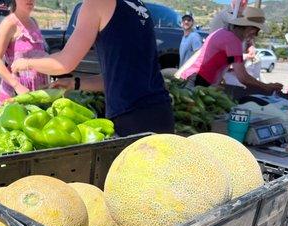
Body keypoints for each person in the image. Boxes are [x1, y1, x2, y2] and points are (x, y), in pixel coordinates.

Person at [10, 0, 174, 137]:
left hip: (132, 120)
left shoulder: (96, 3)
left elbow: (63, 63)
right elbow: (118, 77)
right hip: (161, 113)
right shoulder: (137, 6)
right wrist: (74, 83)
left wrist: (26, 62)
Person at [179, 7, 283, 93]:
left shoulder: (222, 32)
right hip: (197, 80)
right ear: (250, 29)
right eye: (257, 31)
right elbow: (243, 77)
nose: (255, 35)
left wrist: (219, 77)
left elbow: (217, 59)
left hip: (194, 78)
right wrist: (266, 86)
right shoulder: (233, 41)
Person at [0, 0, 49, 105]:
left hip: (37, 92)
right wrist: (17, 86)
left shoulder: (34, 22)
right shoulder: (9, 23)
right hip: (16, 95)